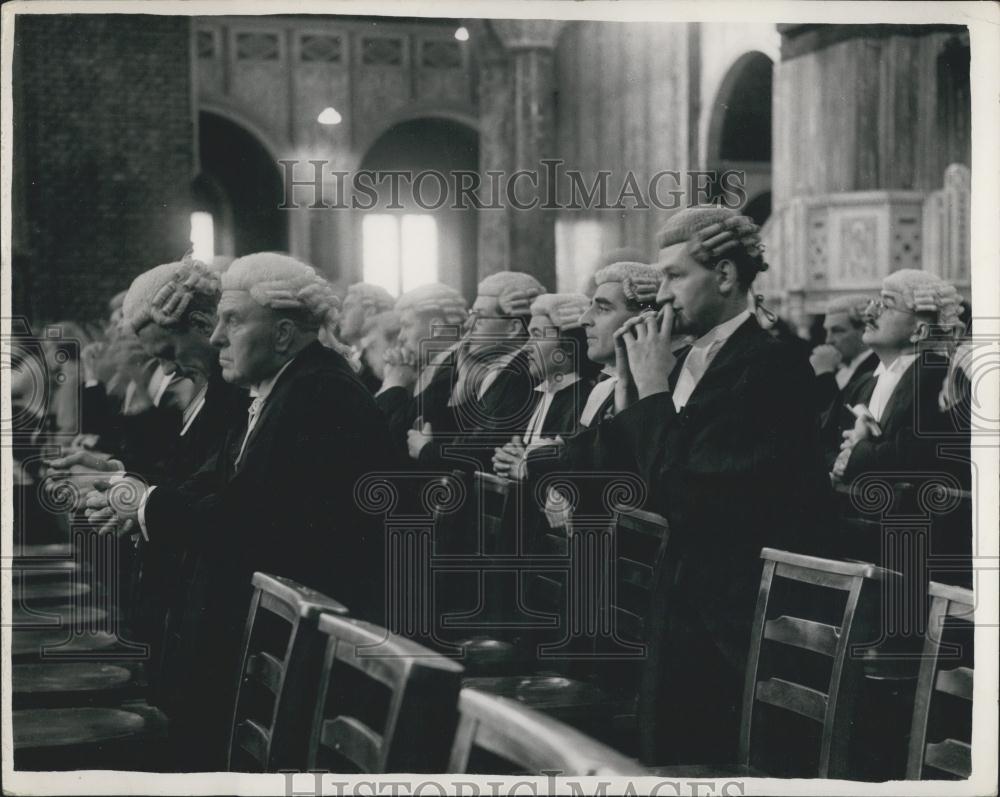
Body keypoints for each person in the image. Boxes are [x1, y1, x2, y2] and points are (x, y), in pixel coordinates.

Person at [84, 252, 395, 770]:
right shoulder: (291, 388)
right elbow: (224, 489)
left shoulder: (319, 395)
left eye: (232, 321)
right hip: (282, 634)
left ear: (283, 334)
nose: (217, 337)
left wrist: (147, 503)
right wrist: (140, 499)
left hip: (320, 657)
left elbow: (249, 524)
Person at [576, 207, 830, 764]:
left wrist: (649, 388)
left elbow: (686, 496)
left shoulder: (769, 365)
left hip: (730, 625)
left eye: (675, 275)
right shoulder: (683, 358)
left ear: (725, 276)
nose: (661, 293)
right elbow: (619, 479)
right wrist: (629, 382)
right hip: (679, 607)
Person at [48, 255, 250, 728]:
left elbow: (210, 496)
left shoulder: (234, 395)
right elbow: (183, 476)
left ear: (203, 325)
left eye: (168, 352)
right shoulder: (210, 387)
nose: (167, 368)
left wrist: (130, 488)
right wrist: (116, 471)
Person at [833, 269, 967, 485]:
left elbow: (921, 454)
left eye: (886, 305)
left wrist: (857, 453)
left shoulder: (942, 378)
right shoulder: (864, 382)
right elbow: (822, 438)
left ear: (919, 331)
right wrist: (838, 462)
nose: (869, 313)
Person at [491, 293, 596, 480]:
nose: (526, 347)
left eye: (537, 336)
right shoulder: (537, 395)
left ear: (569, 346)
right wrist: (506, 458)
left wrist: (525, 471)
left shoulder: (585, 401)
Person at [811, 295, 880, 465]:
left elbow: (834, 424)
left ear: (864, 330)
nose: (828, 340)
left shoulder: (874, 368)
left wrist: (825, 374)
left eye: (837, 331)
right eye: (827, 331)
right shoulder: (844, 368)